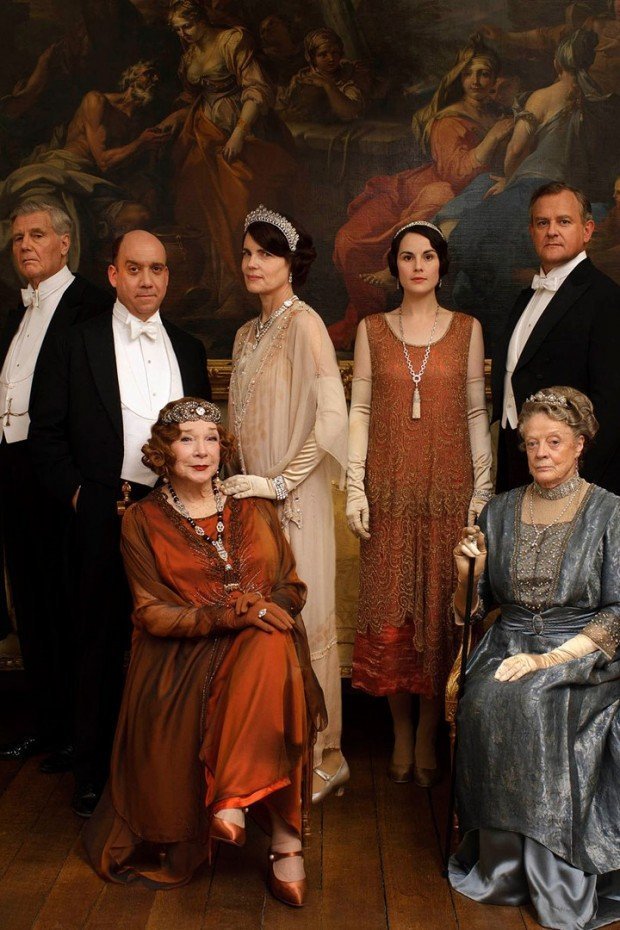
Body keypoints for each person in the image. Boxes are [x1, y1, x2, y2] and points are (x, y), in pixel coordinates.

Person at [84, 399, 324, 905]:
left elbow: (290, 586)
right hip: (184, 653)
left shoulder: (253, 506)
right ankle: (286, 843)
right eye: (186, 439)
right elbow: (152, 613)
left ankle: (235, 799)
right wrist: (231, 615)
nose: (201, 451)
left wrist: (263, 609)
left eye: (211, 439)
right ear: (164, 451)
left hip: (264, 641)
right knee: (271, 647)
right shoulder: (142, 519)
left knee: (270, 643)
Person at [28, 230, 210, 818]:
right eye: (134, 269)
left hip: (177, 516)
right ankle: (93, 774)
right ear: (113, 275)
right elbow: (45, 435)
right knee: (99, 642)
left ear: (167, 276)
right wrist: (82, 497)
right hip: (106, 511)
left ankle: (172, 772)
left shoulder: (189, 348)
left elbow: (206, 439)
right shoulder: (75, 342)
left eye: (156, 269)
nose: (146, 280)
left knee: (176, 644)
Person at [450, 386, 620, 930]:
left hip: (583, 652)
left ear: (580, 444)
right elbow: (470, 612)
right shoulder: (497, 511)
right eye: (531, 443)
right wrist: (466, 572)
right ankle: (503, 869)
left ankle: (556, 875)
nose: (541, 452)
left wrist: (549, 663)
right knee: (485, 700)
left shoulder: (610, 512)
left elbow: (618, 610)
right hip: (508, 643)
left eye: (554, 441)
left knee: (535, 702)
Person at [345, 220, 493, 785]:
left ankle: (429, 731)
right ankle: (400, 731)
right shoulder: (372, 330)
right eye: (407, 257)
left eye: (428, 256)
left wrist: (482, 490)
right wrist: (354, 486)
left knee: (440, 610)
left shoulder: (468, 329)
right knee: (392, 613)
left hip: (449, 489)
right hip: (388, 491)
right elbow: (359, 411)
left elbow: (477, 413)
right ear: (395, 267)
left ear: (441, 265)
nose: (418, 266)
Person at [223, 206, 349, 803]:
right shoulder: (245, 334)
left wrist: (278, 484)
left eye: (266, 253)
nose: (253, 263)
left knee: (303, 616)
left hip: (294, 500)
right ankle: (271, 753)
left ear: (291, 262)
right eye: (247, 253)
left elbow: (332, 420)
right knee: (262, 623)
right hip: (251, 501)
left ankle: (325, 754)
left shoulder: (306, 324)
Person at [0, 198, 111, 769]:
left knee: (71, 604)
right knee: (31, 603)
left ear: (65, 243)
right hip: (13, 470)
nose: (25, 245)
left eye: (37, 234)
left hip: (62, 474)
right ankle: (47, 724)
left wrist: (76, 485)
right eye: (18, 237)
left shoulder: (93, 304)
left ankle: (78, 732)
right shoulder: (15, 313)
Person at [329, 36, 512, 348]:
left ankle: (390, 280)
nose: (476, 81)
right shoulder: (450, 120)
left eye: (484, 74)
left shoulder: (500, 115)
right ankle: (368, 321)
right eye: (469, 74)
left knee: (440, 197)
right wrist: (492, 139)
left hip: (451, 196)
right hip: (410, 192)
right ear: (460, 78)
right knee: (349, 240)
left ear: (494, 79)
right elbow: (454, 172)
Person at [447, 29, 617, 341]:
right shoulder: (602, 103)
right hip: (578, 195)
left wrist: (509, 180)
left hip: (534, 185)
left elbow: (515, 150)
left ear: (557, 63)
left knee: (471, 236)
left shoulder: (543, 96)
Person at [154, 0, 299, 317]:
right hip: (202, 133)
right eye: (177, 29)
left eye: (187, 26)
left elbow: (256, 89)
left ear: (201, 19)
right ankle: (211, 286)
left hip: (240, 131)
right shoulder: (189, 55)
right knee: (196, 203)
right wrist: (174, 119)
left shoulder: (231, 41)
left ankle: (239, 291)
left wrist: (238, 134)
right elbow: (194, 98)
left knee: (239, 203)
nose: (183, 34)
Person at [492, 181, 620, 494]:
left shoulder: (606, 298)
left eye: (563, 221)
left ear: (587, 230)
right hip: (516, 463)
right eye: (542, 223)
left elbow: (612, 405)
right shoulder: (524, 298)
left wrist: (578, 486)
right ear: (532, 231)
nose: (551, 231)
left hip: (573, 477)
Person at [0, 61, 166, 269]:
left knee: (140, 215)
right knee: (45, 223)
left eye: (157, 78)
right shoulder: (97, 101)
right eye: (148, 73)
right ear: (131, 76)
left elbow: (118, 166)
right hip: (65, 172)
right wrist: (140, 144)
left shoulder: (136, 121)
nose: (153, 79)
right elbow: (103, 160)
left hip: (95, 186)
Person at [277, 27, 370, 124]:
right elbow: (281, 109)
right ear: (312, 58)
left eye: (335, 53)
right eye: (323, 54)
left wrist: (327, 85)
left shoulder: (350, 75)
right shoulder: (300, 79)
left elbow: (351, 112)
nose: (331, 58)